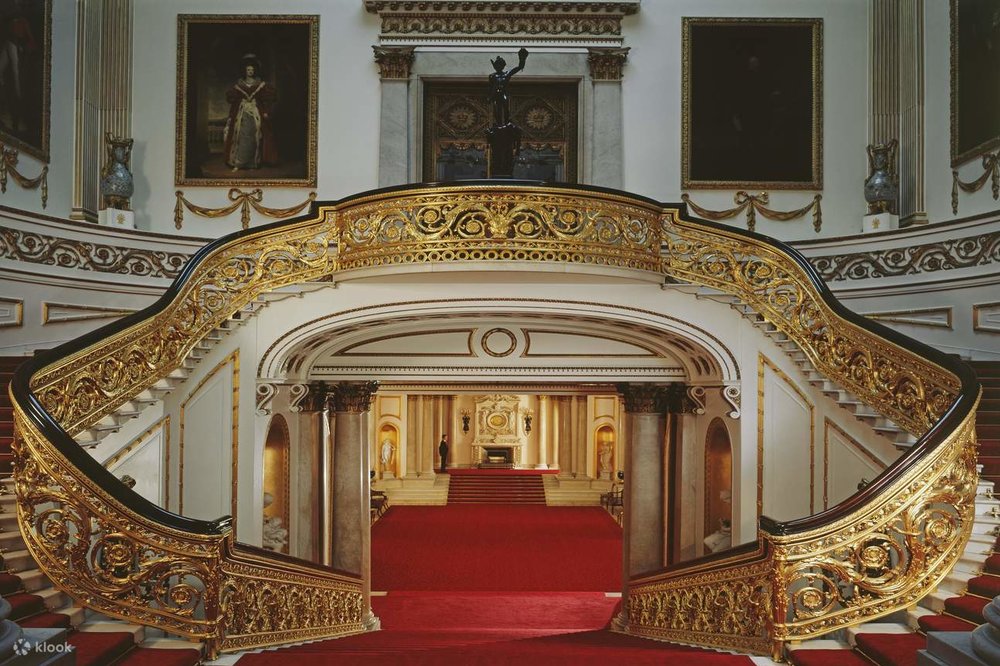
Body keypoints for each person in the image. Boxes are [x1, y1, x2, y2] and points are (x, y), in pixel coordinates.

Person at [223, 54, 277, 171]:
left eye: (252, 70)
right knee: (241, 137)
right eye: (248, 70)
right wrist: (232, 115)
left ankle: (252, 163)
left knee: (255, 137)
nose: (250, 72)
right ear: (244, 71)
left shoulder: (260, 84)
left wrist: (265, 111)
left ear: (255, 71)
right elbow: (232, 99)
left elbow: (266, 99)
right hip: (242, 113)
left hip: (255, 113)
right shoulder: (239, 85)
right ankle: (239, 163)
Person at [488, 48, 528, 127]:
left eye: (500, 65)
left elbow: (519, 67)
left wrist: (522, 58)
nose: (498, 66)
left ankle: (506, 123)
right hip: (496, 95)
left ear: (502, 66)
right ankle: (499, 125)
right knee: (496, 110)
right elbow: (491, 87)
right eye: (497, 65)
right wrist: (490, 97)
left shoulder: (507, 74)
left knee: (506, 109)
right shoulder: (492, 76)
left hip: (504, 94)